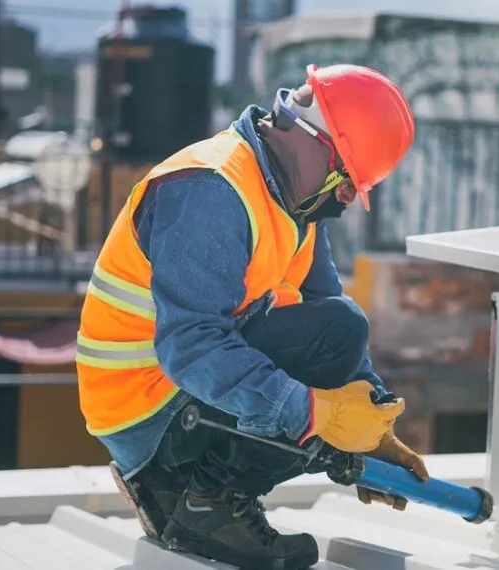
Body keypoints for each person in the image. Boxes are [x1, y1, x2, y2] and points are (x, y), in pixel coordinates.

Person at [74, 63, 429, 570]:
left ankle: (210, 496)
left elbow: (323, 317)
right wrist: (312, 414)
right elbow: (191, 346)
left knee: (339, 328)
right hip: (147, 412)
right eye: (348, 180)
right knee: (338, 334)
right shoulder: (211, 189)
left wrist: (372, 427)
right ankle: (207, 502)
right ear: (314, 143)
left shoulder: (297, 201)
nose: (347, 198)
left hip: (182, 394)